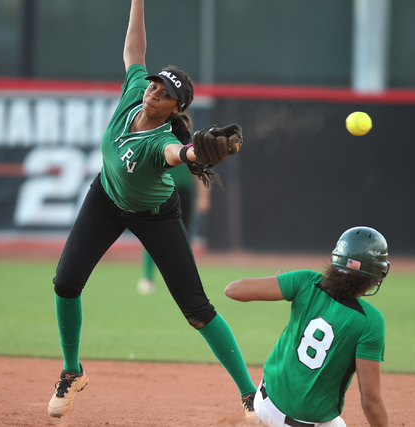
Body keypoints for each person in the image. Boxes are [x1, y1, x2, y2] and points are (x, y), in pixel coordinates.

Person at [47, 0, 257, 420]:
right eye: (155, 87)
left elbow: (180, 152)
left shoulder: (159, 141)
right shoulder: (134, 94)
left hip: (155, 215)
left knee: (196, 309)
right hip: (105, 198)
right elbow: (134, 51)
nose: (153, 95)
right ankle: (73, 372)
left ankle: (251, 394)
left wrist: (201, 150)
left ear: (176, 109)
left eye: (165, 96)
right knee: (66, 283)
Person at [224, 226, 391, 427]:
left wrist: (282, 281)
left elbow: (232, 290)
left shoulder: (306, 281)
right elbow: (370, 401)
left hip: (263, 403)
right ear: (375, 275)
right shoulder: (371, 320)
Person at [137, 164, 210, 294]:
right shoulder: (156, 142)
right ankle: (148, 278)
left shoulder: (189, 143)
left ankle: (185, 279)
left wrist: (203, 196)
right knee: (152, 233)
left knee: (184, 235)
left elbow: (199, 167)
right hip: (159, 189)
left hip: (183, 192)